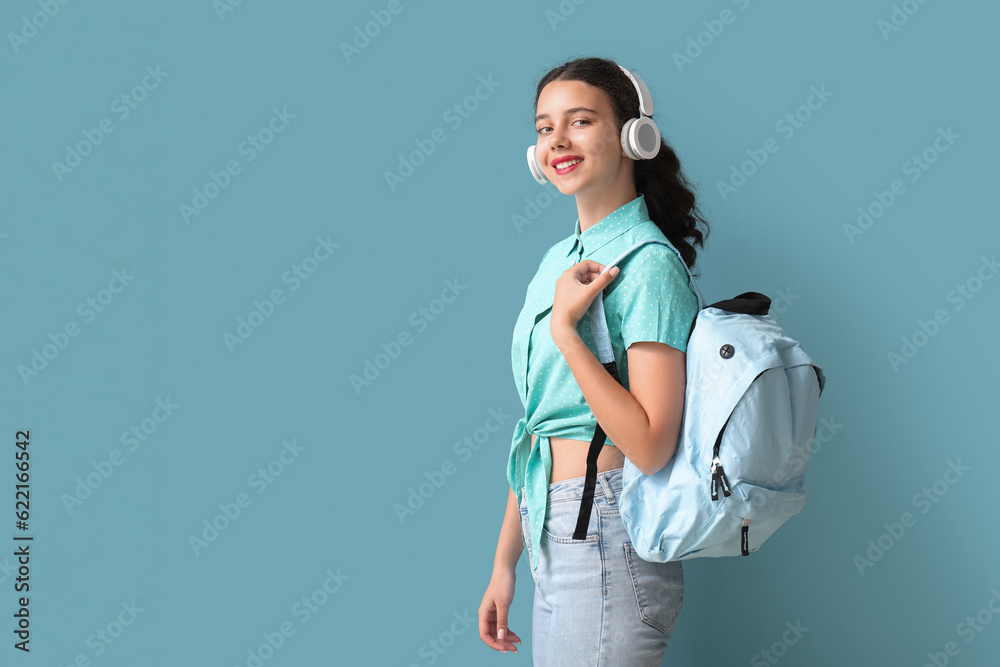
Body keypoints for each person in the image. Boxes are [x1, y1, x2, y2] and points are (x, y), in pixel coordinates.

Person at [478, 56, 711, 665]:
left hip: (607, 523)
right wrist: (507, 564)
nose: (556, 140)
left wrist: (567, 332)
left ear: (635, 136)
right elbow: (539, 425)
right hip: (553, 527)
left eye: (579, 121)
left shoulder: (649, 264)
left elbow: (653, 444)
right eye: (543, 127)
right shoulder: (558, 261)